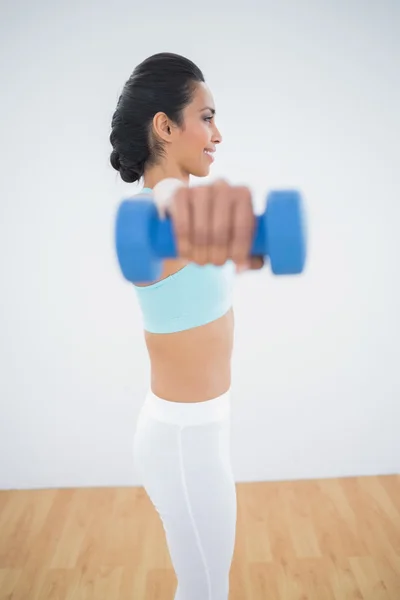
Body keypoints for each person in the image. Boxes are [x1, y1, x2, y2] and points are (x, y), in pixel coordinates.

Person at [109, 52, 263, 600]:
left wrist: (248, 251)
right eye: (206, 116)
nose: (217, 133)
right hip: (182, 441)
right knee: (204, 587)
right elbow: (169, 203)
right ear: (165, 127)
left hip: (201, 433)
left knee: (205, 583)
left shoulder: (194, 223)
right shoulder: (153, 218)